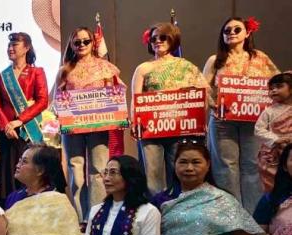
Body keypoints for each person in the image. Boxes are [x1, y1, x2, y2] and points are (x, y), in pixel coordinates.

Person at [205, 17, 280, 211]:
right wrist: (214, 105)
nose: (231, 33)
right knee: (225, 167)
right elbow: (203, 88)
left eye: (236, 29)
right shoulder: (215, 60)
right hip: (222, 121)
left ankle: (254, 217)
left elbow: (277, 82)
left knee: (252, 166)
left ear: (247, 33)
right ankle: (232, 216)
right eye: (227, 30)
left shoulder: (260, 58)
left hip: (252, 120)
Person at [131, 23, 209, 195]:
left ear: (172, 39)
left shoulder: (187, 66)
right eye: (153, 39)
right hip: (150, 130)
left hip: (179, 128)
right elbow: (135, 99)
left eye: (162, 37)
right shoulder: (143, 68)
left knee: (178, 170)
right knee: (152, 174)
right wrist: (134, 123)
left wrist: (200, 119)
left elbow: (203, 94)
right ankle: (155, 207)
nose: (158, 41)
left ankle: (178, 204)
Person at [54, 27, 124, 221]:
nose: (82, 45)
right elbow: (57, 100)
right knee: (75, 171)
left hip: (99, 127)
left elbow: (116, 95)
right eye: (77, 42)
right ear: (71, 45)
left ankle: (96, 217)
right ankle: (81, 219)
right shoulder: (65, 70)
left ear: (93, 43)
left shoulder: (106, 68)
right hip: (73, 128)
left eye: (86, 41)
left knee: (98, 170)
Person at [0, 33, 50, 200]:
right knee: (8, 173)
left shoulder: (36, 72)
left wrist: (19, 120)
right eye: (9, 45)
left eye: (15, 45)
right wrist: (6, 125)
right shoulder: (2, 75)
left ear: (26, 48)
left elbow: (43, 101)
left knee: (30, 170)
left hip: (27, 131)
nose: (10, 48)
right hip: (7, 133)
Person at [257, 73, 292, 192]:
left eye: (279, 86)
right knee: (273, 185)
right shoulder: (269, 111)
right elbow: (259, 130)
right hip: (273, 154)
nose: (274, 90)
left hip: (290, 151)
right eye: (271, 88)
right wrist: (276, 139)